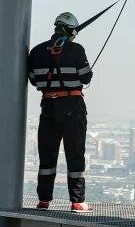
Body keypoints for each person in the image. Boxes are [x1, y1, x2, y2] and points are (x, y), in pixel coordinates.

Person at [27, 12, 93, 213]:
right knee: (75, 155)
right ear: (72, 31)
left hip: (48, 107)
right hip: (73, 107)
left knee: (47, 156)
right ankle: (77, 201)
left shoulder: (37, 52)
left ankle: (44, 200)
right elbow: (86, 77)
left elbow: (33, 79)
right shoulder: (76, 49)